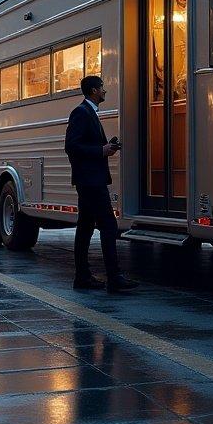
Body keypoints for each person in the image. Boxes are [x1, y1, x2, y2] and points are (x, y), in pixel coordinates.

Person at [64, 74, 137, 293]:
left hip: (90, 180)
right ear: (94, 91)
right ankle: (114, 278)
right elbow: (71, 146)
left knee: (85, 227)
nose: (105, 91)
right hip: (90, 181)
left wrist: (107, 146)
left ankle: (82, 277)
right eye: (102, 88)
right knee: (108, 225)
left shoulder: (89, 113)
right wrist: (101, 150)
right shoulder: (81, 112)